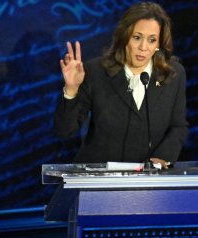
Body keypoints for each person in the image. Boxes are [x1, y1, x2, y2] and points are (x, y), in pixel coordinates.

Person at [54, 2, 188, 168]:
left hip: (149, 182)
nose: (143, 47)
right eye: (137, 37)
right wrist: (71, 90)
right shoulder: (95, 71)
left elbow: (178, 126)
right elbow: (65, 131)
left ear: (159, 44)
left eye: (152, 40)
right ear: (125, 37)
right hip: (99, 179)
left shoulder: (173, 74)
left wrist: (162, 158)